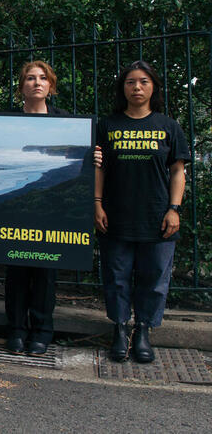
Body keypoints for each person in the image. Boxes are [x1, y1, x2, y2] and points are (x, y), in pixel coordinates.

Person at [95, 61, 189, 363]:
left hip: (157, 215)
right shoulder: (108, 125)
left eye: (144, 82)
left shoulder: (168, 126)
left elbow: (178, 171)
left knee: (154, 278)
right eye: (131, 82)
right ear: (122, 88)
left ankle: (144, 330)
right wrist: (97, 203)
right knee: (116, 276)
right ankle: (120, 330)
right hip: (116, 213)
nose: (137, 87)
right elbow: (99, 167)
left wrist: (174, 208)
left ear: (153, 87)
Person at [3, 61, 69, 356]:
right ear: (22, 87)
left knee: (45, 272)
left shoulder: (65, 121)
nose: (37, 83)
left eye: (43, 79)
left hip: (52, 210)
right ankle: (16, 330)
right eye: (30, 78)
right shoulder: (8, 121)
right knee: (15, 271)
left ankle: (42, 331)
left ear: (51, 86)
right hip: (17, 212)